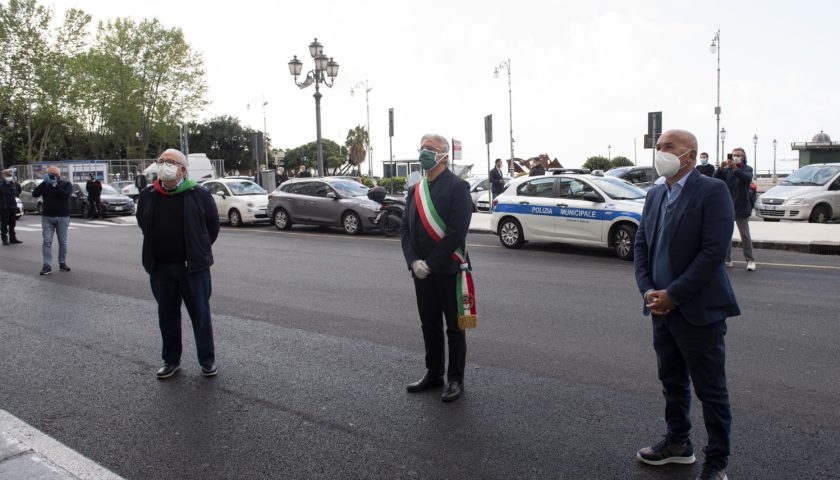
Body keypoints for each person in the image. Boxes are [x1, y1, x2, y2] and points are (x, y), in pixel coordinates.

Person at [634, 129, 739, 480]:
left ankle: (717, 463)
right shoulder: (653, 195)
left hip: (697, 311)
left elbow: (713, 252)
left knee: (710, 389)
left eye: (669, 147)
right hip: (660, 309)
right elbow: (641, 247)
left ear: (690, 156)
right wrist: (649, 291)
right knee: (672, 381)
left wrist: (673, 295)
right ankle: (678, 444)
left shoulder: (712, 190)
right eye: (659, 146)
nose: (660, 152)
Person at [400, 133, 476, 403]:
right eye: (421, 148)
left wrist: (430, 264)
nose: (424, 153)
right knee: (429, 324)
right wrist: (413, 261)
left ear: (443, 155)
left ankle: (455, 379)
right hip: (421, 272)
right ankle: (433, 373)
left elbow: (456, 232)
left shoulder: (458, 187)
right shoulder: (415, 190)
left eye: (430, 149)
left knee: (454, 328)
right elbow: (405, 229)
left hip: (448, 271)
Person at [136, 148, 220, 379]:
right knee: (167, 316)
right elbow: (143, 223)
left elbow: (212, 228)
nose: (164, 165)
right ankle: (170, 360)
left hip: (192, 268)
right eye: (161, 161)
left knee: (200, 315)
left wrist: (197, 250)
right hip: (161, 268)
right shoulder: (148, 195)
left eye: (170, 162)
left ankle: (207, 360)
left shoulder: (199, 195)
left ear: (182, 169)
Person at [715, 147, 756, 271]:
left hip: (742, 206)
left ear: (743, 157)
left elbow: (746, 179)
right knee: (727, 235)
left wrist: (734, 168)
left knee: (745, 235)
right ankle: (727, 259)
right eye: (734, 155)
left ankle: (750, 260)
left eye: (738, 155)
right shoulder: (727, 170)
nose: (736, 157)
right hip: (728, 206)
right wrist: (720, 169)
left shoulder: (747, 169)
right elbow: (715, 180)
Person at [32, 166, 73, 275]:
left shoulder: (66, 184)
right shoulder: (45, 185)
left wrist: (55, 185)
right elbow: (34, 194)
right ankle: (47, 265)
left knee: (62, 241)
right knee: (47, 241)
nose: (52, 175)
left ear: (59, 175)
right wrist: (44, 183)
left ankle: (62, 262)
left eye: (54, 174)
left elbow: (66, 195)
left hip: (62, 217)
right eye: (50, 174)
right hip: (47, 217)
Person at [0, 169, 22, 245]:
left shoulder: (13, 184)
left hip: (13, 205)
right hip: (4, 207)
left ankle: (13, 238)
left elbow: (18, 191)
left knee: (12, 223)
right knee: (4, 224)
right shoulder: (1, 185)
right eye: (8, 176)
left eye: (10, 175)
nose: (10, 177)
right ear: (3, 176)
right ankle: (4, 239)